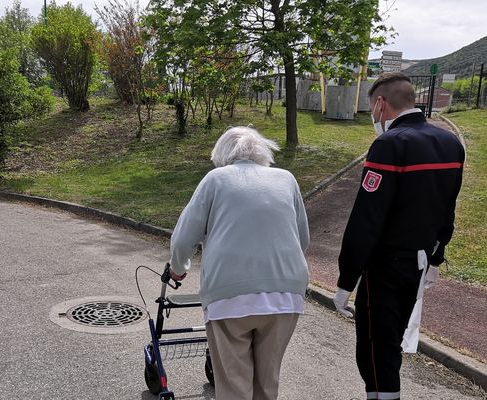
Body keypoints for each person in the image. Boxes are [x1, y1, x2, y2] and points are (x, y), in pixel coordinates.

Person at [333, 72, 465, 400]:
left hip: (386, 268)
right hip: (419, 264)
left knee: (376, 352)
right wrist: (436, 256)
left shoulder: (390, 145)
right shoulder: (450, 143)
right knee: (390, 344)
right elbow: (448, 209)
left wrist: (346, 280)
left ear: (381, 104)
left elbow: (367, 219)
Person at [169, 126, 309, 400]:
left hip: (229, 299)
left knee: (234, 387)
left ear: (222, 154)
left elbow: (184, 238)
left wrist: (178, 268)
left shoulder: (216, 180)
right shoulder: (287, 179)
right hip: (285, 297)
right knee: (267, 385)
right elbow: (302, 239)